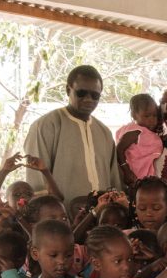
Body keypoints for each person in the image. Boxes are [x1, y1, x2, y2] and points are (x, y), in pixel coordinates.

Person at [24, 65, 121, 202]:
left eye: (95, 95)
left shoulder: (104, 132)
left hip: (100, 219)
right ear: (68, 90)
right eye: (81, 93)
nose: (88, 99)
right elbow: (36, 182)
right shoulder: (46, 126)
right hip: (61, 219)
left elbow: (114, 181)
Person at [116, 93, 164, 186]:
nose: (152, 120)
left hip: (146, 180)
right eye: (147, 116)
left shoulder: (149, 133)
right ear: (134, 115)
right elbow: (119, 149)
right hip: (133, 177)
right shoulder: (135, 131)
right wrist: (126, 171)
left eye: (154, 115)